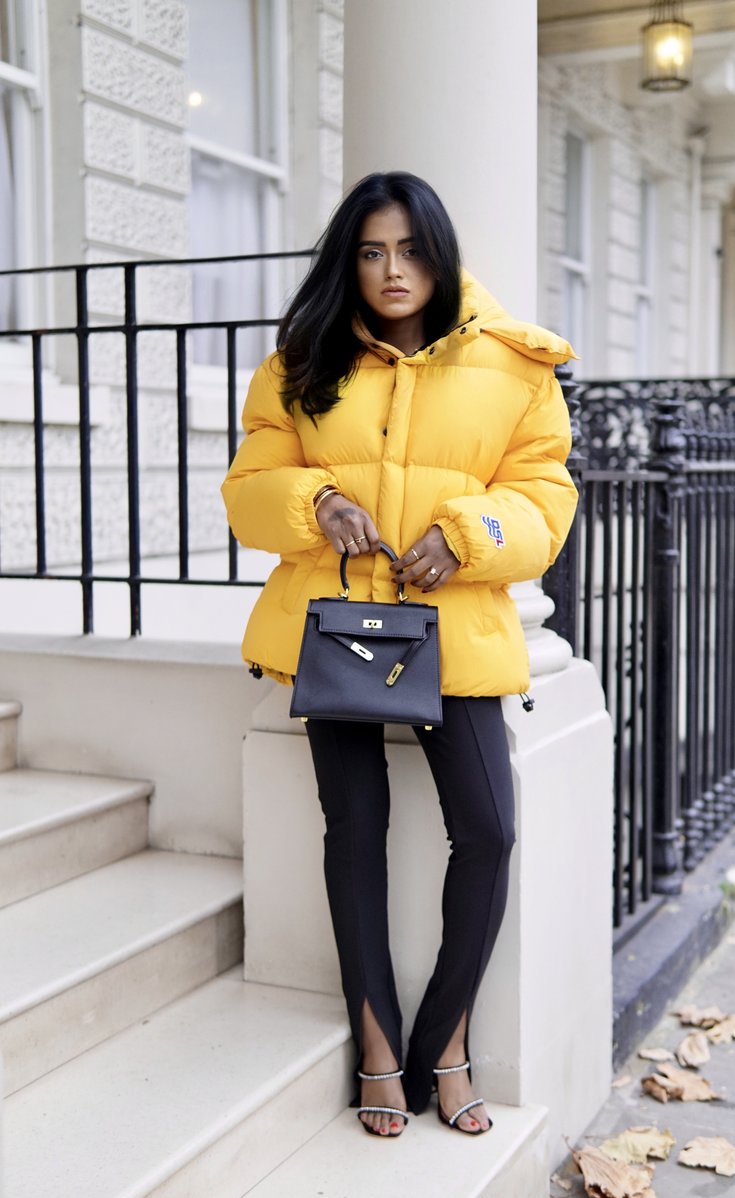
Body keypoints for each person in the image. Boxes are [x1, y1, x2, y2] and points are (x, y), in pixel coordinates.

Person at [221, 171, 577, 1139]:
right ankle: (378, 1046)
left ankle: (442, 1042)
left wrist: (467, 534)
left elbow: (545, 504)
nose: (391, 270)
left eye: (409, 250)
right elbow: (248, 485)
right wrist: (314, 505)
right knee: (355, 827)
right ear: (351, 257)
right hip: (334, 625)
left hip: (451, 628)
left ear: (439, 253)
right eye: (372, 251)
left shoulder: (511, 365)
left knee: (491, 829)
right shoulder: (302, 359)